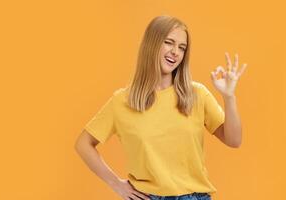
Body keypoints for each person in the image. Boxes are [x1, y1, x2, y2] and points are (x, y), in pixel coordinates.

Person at [75, 15, 247, 200]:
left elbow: (234, 140)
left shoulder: (197, 94)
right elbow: (83, 144)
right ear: (152, 44)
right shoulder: (122, 101)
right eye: (169, 43)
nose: (175, 52)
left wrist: (229, 97)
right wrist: (116, 184)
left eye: (182, 48)